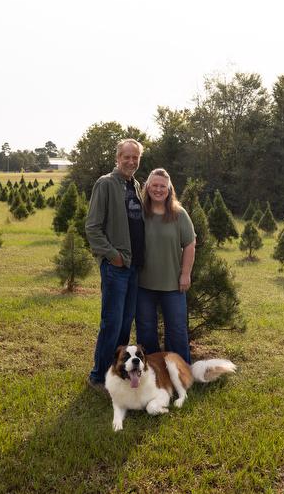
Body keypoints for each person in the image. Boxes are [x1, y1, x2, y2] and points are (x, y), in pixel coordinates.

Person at [85, 139, 145, 390]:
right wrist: (113, 256)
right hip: (116, 267)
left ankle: (115, 373)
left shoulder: (135, 185)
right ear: (117, 158)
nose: (131, 161)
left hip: (133, 267)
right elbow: (93, 227)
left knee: (125, 322)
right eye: (126, 157)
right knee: (111, 323)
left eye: (135, 157)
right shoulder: (106, 184)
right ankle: (98, 377)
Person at [135, 168, 196, 364]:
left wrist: (185, 274)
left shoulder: (179, 214)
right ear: (147, 187)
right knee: (145, 329)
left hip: (173, 285)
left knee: (177, 330)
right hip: (143, 284)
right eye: (154, 185)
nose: (158, 190)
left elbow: (189, 244)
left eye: (163, 186)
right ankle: (152, 371)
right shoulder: (140, 213)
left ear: (169, 189)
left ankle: (180, 371)